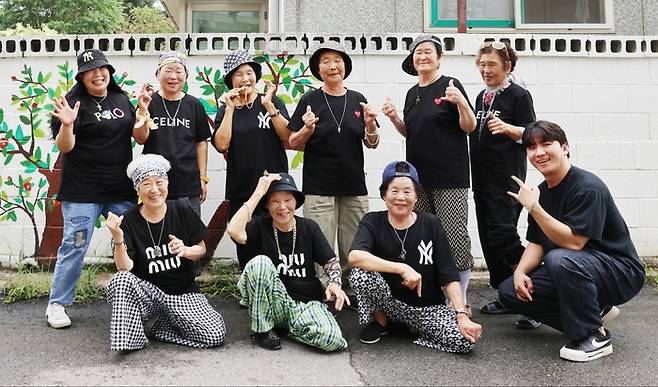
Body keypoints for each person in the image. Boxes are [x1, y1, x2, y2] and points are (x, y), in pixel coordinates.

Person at [499, 121, 645, 362]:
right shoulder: (542, 193)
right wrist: (520, 273)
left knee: (559, 258)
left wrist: (534, 208)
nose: (539, 153)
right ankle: (592, 313)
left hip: (620, 272)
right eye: (532, 147)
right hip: (577, 268)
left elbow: (575, 242)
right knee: (509, 293)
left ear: (565, 147)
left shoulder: (587, 187)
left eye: (546, 144)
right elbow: (537, 242)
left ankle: (593, 335)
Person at [382, 35, 476, 311]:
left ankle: (461, 300)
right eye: (418, 53)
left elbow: (469, 127)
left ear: (439, 57)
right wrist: (393, 118)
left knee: (453, 233)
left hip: (450, 176)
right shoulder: (412, 93)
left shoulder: (450, 85)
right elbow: (410, 132)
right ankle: (433, 291)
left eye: (427, 52)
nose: (422, 57)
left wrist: (460, 103)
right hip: (418, 180)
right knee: (423, 234)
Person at [349, 161, 482, 353]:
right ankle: (382, 321)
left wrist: (461, 315)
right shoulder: (373, 220)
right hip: (389, 303)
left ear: (417, 196)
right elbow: (355, 256)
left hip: (426, 308)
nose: (400, 197)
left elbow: (449, 275)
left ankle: (413, 327)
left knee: (464, 341)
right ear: (384, 195)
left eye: (407, 191)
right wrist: (402, 268)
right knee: (360, 274)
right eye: (394, 191)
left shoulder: (431, 223)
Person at [46, 49, 137, 329]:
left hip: (121, 189)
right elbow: (65, 147)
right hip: (82, 191)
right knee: (75, 245)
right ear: (81, 77)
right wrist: (67, 124)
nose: (98, 74)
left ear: (109, 71)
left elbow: (138, 134)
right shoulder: (71, 103)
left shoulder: (122, 99)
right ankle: (57, 303)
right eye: (91, 71)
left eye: (102, 69)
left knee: (136, 239)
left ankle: (141, 297)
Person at [105, 154, 225, 351]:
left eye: (159, 182)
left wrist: (185, 250)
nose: (154, 190)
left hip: (182, 293)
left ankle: (163, 328)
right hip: (148, 294)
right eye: (146, 184)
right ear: (137, 189)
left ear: (167, 184)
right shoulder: (128, 220)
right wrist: (118, 237)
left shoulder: (181, 209)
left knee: (215, 335)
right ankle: (132, 340)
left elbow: (201, 249)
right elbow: (124, 267)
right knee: (120, 280)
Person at [226, 172, 349, 351]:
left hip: (305, 304)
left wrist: (335, 283)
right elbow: (233, 230)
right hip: (272, 301)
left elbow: (330, 262)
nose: (282, 207)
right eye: (275, 201)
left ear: (295, 203)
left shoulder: (309, 227)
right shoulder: (260, 226)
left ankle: (289, 328)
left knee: (332, 340)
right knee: (259, 263)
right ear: (267, 205)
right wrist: (259, 191)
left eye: (288, 200)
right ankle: (263, 330)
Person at [470, 41, 539, 329]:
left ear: (507, 67)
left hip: (506, 179)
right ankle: (507, 294)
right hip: (481, 180)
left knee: (504, 237)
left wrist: (508, 129)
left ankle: (536, 299)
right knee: (489, 238)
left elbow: (533, 133)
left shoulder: (518, 95)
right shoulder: (480, 97)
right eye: (482, 65)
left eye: (492, 65)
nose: (486, 70)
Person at [212, 49, 291, 268]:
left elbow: (287, 136)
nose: (245, 78)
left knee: (277, 235)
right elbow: (221, 144)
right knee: (245, 239)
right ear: (231, 80)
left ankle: (279, 285)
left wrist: (269, 106)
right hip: (242, 185)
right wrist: (229, 109)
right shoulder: (226, 108)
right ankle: (249, 286)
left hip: (274, 184)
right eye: (239, 74)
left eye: (249, 72)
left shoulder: (271, 101)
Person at [133, 51, 211, 217]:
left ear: (186, 76)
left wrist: (202, 178)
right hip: (154, 185)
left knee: (190, 236)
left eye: (179, 71)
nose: (173, 76)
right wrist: (143, 110)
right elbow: (140, 139)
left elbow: (201, 143)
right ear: (158, 74)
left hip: (188, 184)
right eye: (168, 71)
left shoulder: (194, 105)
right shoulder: (149, 101)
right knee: (156, 233)